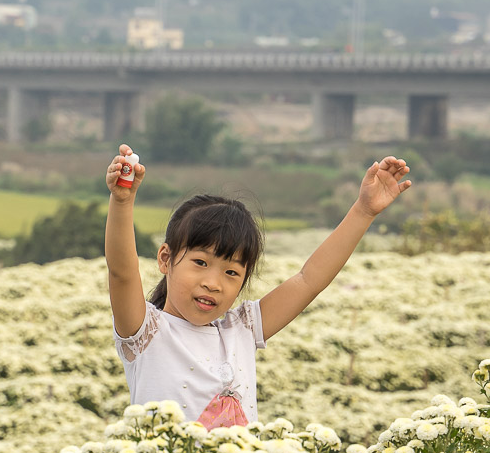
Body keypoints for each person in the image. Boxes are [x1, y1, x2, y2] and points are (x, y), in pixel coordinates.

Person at [105, 144, 411, 429]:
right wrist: (122, 201)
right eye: (200, 263)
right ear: (165, 259)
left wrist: (363, 211)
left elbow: (309, 280)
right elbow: (122, 273)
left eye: (232, 272)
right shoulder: (145, 332)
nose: (213, 283)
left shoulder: (242, 329)